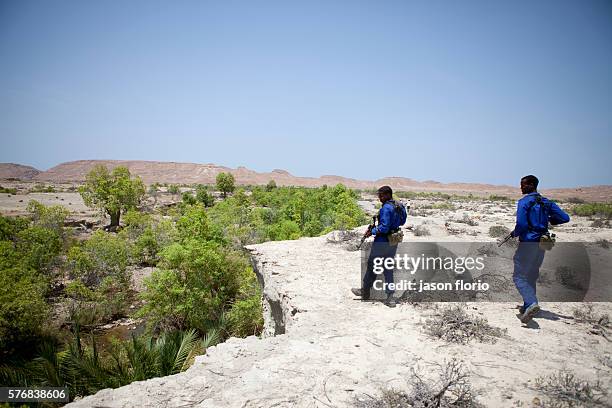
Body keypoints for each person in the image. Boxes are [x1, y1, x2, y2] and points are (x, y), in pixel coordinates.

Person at [511, 175, 570, 323]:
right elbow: (564, 218)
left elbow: (522, 225)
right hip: (543, 241)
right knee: (531, 274)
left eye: (523, 185)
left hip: (528, 242)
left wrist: (515, 233)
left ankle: (531, 303)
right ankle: (527, 305)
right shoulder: (546, 202)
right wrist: (548, 220)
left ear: (532, 185)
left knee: (519, 276)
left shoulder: (524, 201)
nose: (521, 187)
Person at [351, 185, 407, 308]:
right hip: (393, 240)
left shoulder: (386, 208)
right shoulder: (399, 205)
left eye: (381, 196)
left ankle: (365, 291)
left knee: (372, 265)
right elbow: (403, 221)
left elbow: (384, 227)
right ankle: (390, 297)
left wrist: (373, 231)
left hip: (382, 240)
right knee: (388, 267)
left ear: (387, 195)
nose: (380, 198)